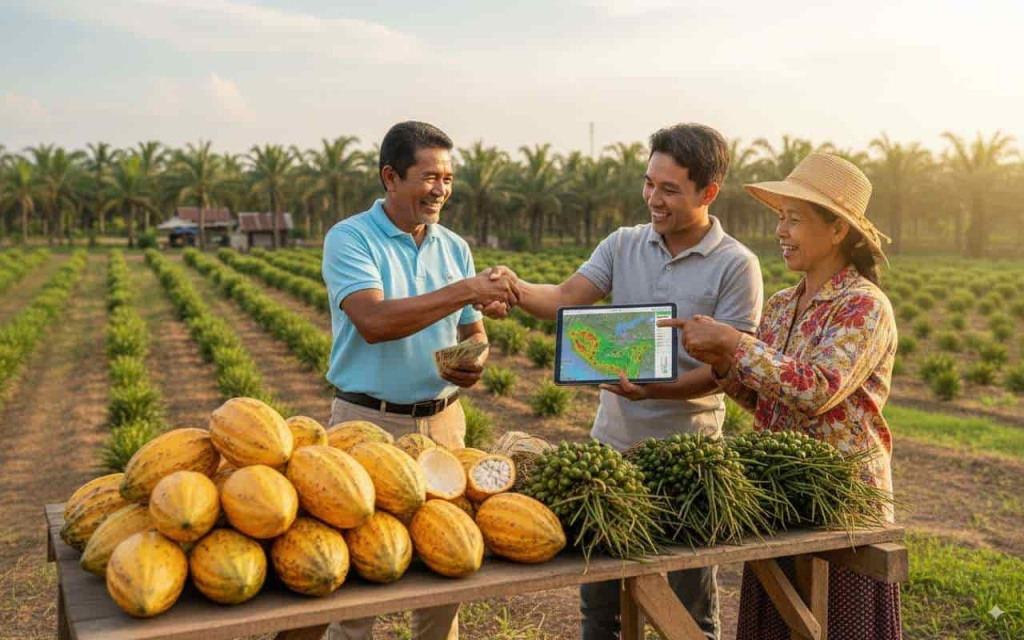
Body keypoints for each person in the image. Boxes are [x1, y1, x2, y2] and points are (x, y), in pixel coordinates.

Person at [483, 123, 763, 640]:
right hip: (612, 451)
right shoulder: (623, 244)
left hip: (690, 460)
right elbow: (565, 297)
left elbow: (731, 371)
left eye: (669, 190)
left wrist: (658, 389)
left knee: (692, 613)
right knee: (600, 609)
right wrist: (514, 287)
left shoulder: (736, 265)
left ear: (709, 192)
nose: (653, 199)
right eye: (649, 183)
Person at [661, 153, 901, 639]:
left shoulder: (862, 306)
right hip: (779, 498)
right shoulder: (782, 304)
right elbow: (768, 401)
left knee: (834, 624)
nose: (781, 231)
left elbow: (817, 390)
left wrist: (735, 343)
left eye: (795, 219)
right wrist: (726, 363)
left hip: (840, 508)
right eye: (780, 218)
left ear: (837, 231)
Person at [320, 121, 519, 640]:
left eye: (448, 178)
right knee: (361, 576)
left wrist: (472, 362)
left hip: (443, 424)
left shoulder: (453, 247)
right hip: (367, 425)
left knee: (445, 572)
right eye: (429, 177)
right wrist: (463, 290)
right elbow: (375, 321)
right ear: (390, 176)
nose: (441, 190)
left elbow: (474, 332)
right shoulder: (350, 238)